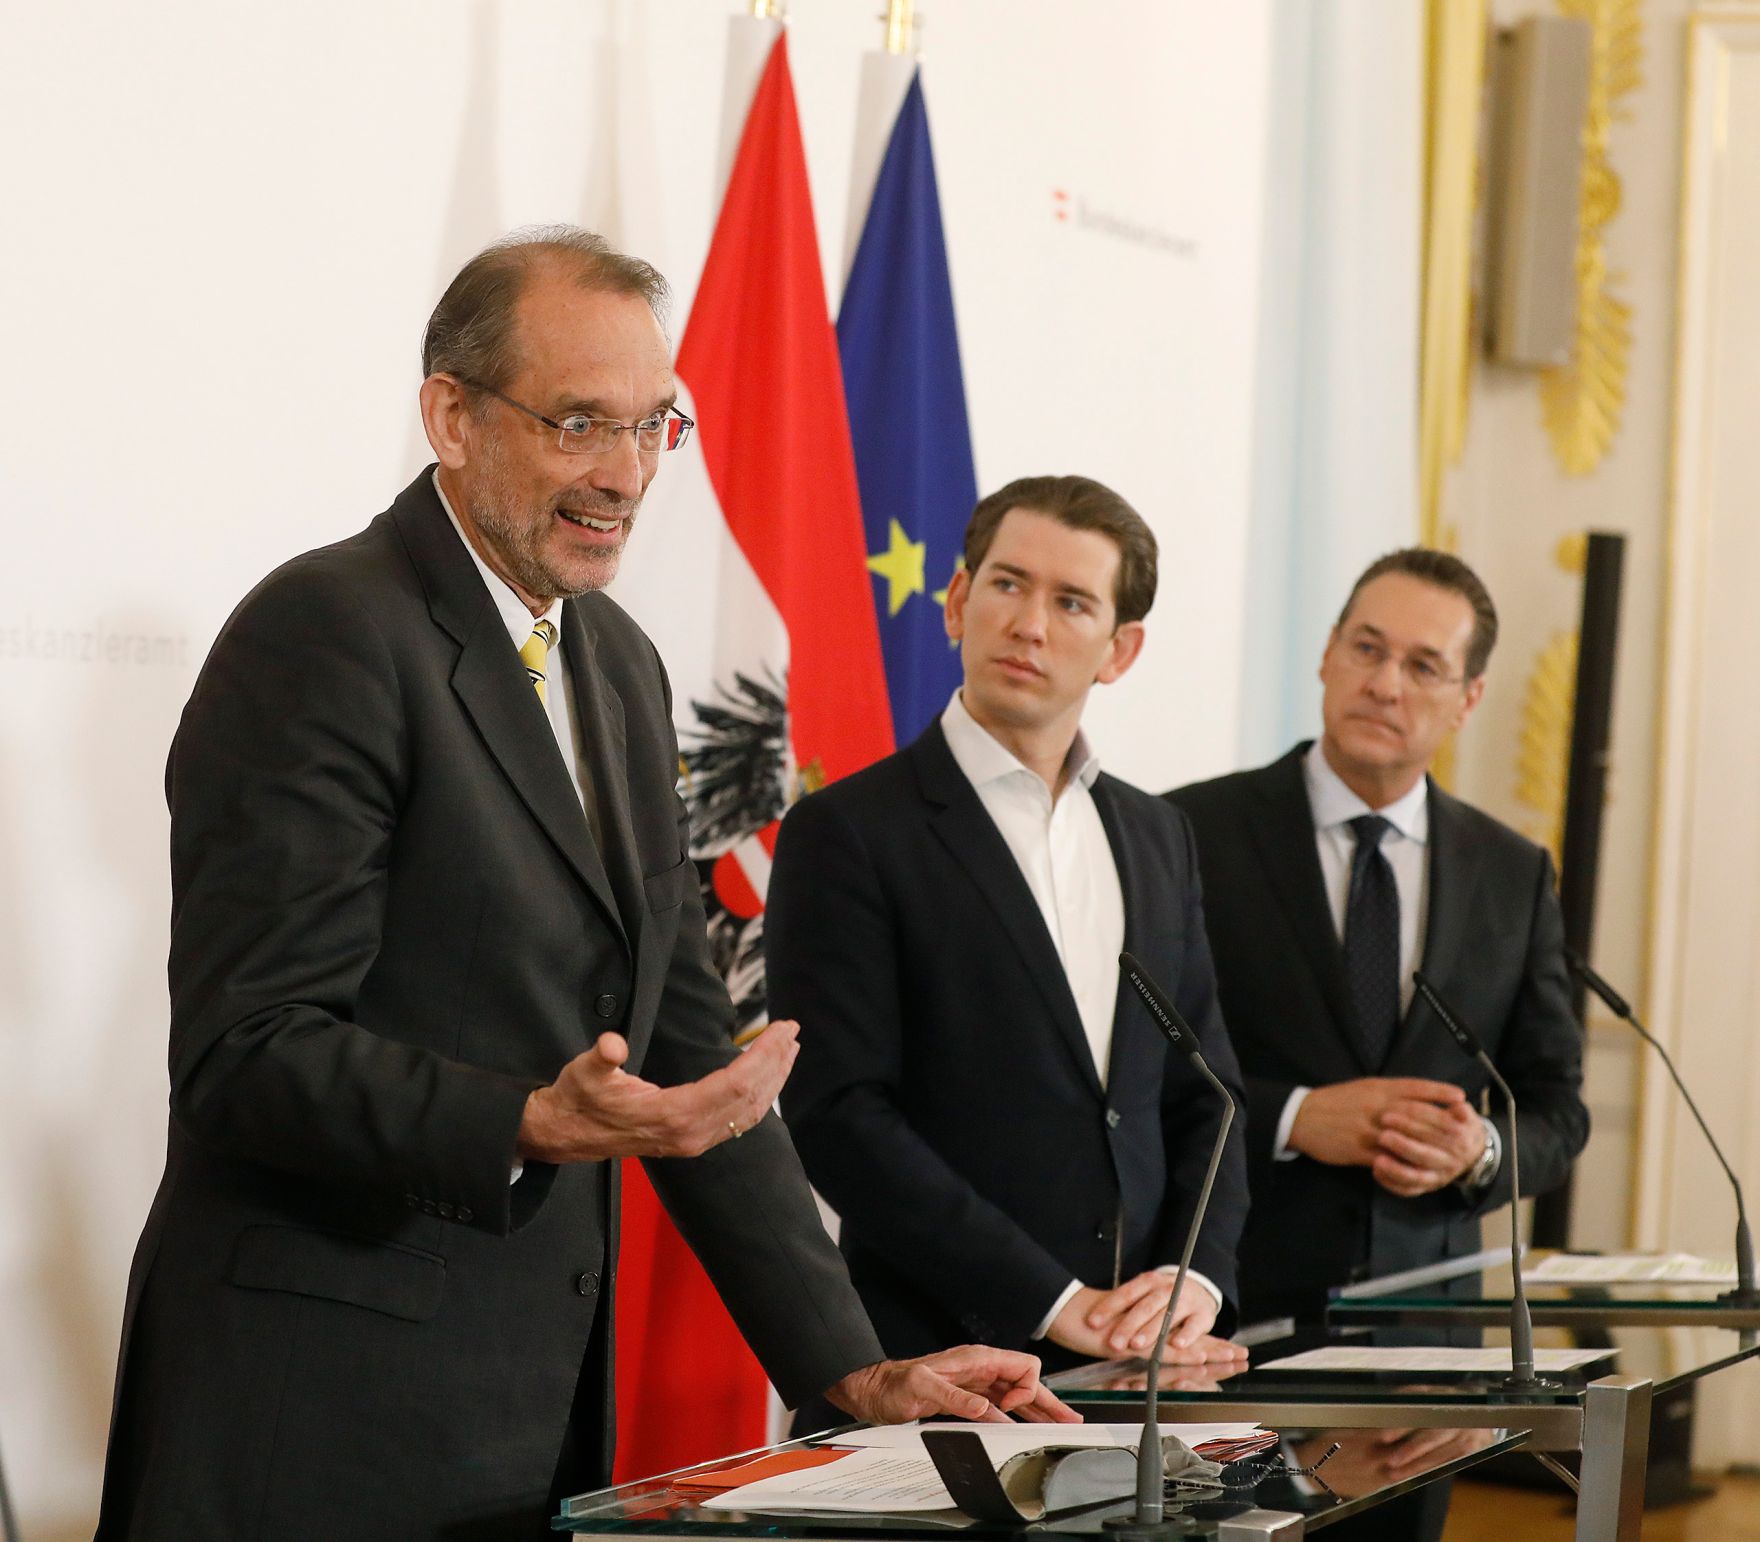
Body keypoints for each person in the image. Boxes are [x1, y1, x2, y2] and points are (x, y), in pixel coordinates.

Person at [95, 227, 1071, 1542]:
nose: (625, 474)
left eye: (653, 425)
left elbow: (672, 1052)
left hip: (525, 1420)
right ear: (450, 414)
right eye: (578, 424)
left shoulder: (617, 663)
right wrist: (525, 1120)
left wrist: (853, 1370)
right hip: (314, 1418)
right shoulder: (330, 632)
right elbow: (246, 1051)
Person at [767, 476, 1251, 1431]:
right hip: (933, 1370)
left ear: (1121, 651)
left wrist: (1195, 1276)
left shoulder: (1159, 836)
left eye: (1071, 602)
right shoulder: (849, 832)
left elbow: (1209, 1093)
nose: (1029, 623)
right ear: (956, 602)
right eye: (1006, 585)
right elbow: (838, 1116)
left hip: (1138, 1384)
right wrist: (1055, 1301)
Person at [1167, 550, 1590, 1540]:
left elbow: (1555, 1106)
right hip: (1226, 1320)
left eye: (1421, 665)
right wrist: (1289, 1116)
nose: (1384, 682)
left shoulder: (1509, 870)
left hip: (1423, 1348)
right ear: (1324, 655)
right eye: (1365, 647)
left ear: (1466, 698)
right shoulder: (1188, 831)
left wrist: (1479, 1150)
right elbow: (1143, 1063)